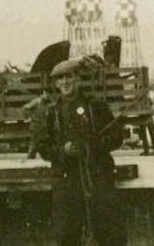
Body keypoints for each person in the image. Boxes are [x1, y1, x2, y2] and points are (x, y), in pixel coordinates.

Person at [29, 57, 127, 246]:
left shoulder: (96, 106)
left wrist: (92, 145)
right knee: (67, 235)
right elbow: (43, 147)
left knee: (111, 234)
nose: (64, 82)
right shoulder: (50, 112)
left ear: (78, 79)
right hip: (67, 181)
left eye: (69, 77)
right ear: (56, 83)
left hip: (97, 176)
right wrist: (62, 151)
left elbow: (117, 137)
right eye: (60, 78)